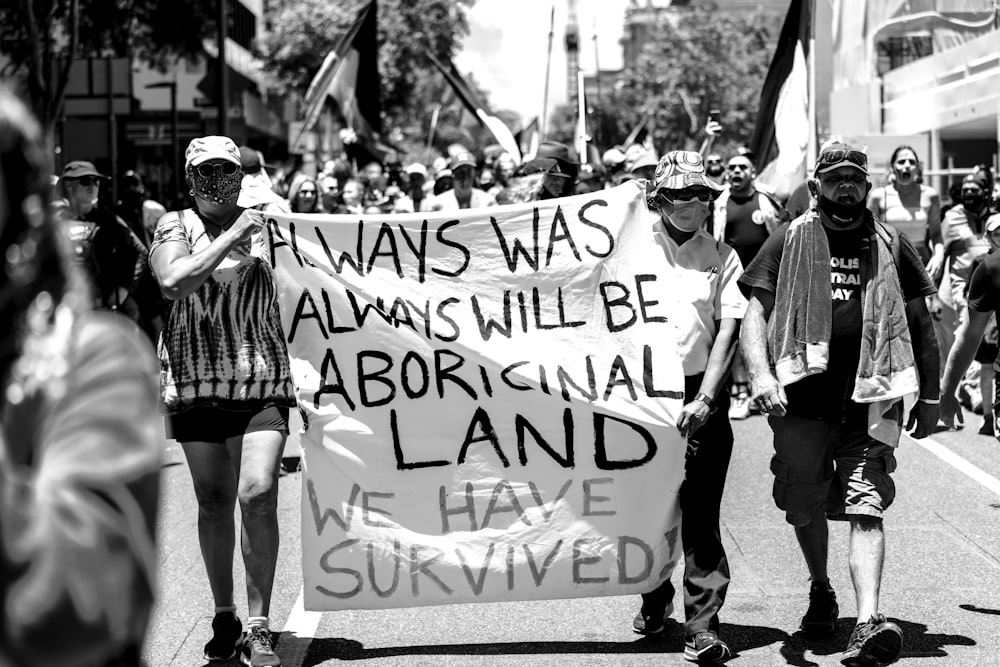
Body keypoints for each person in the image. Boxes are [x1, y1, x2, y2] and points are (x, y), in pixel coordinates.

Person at [738, 142, 939, 667]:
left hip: (872, 402)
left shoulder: (892, 243)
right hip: (800, 405)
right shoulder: (789, 238)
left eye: (854, 178)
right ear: (815, 187)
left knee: (866, 507)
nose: (845, 186)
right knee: (803, 504)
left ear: (867, 187)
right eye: (834, 179)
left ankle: (867, 620)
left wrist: (933, 394)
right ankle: (822, 589)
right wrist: (760, 374)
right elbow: (754, 312)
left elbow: (920, 322)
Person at [0, 83, 162, 667]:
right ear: (62, 189)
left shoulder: (95, 358)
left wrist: (119, 308)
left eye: (93, 183)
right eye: (78, 183)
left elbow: (84, 601)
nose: (87, 191)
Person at [149, 135, 296, 667]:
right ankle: (224, 616)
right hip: (195, 382)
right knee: (213, 501)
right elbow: (172, 280)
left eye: (226, 170)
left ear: (241, 175)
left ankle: (259, 627)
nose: (217, 180)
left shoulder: (271, 221)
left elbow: (324, 271)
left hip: (260, 379)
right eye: (206, 171)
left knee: (257, 492)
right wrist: (234, 232)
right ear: (190, 178)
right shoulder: (175, 224)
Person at [633, 151, 745, 666]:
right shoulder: (628, 249)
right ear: (660, 199)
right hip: (637, 395)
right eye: (679, 194)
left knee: (702, 512)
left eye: (700, 194)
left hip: (702, 393)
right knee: (648, 508)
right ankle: (654, 598)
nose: (691, 202)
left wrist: (707, 398)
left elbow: (728, 329)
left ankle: (703, 624)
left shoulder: (723, 257)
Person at [711, 151, 787, 419]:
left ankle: (767, 387)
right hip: (731, 281)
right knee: (736, 334)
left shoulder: (766, 200)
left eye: (743, 167)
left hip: (765, 281)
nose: (736, 171)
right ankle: (740, 393)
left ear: (753, 172)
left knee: (765, 335)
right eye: (731, 167)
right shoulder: (718, 202)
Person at [53, 160, 149, 328]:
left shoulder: (108, 219)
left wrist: (125, 288)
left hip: (102, 310)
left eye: (96, 181)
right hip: (65, 309)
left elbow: (141, 251)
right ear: (68, 185)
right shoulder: (54, 221)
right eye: (86, 181)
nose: (93, 186)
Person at [940, 167, 995, 420]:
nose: (969, 195)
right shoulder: (953, 217)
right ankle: (970, 390)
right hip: (966, 290)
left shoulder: (992, 217)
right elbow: (975, 250)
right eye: (965, 192)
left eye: (975, 191)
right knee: (971, 337)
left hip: (989, 284)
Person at [430, 152, 497, 211]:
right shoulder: (438, 204)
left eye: (468, 172)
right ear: (453, 174)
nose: (465, 177)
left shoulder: (487, 201)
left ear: (474, 173)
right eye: (460, 172)